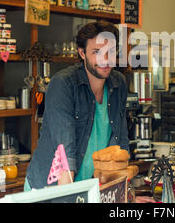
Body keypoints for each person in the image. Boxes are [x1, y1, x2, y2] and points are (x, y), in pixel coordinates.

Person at [25, 20, 129, 190]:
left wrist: (124, 195)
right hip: (50, 189)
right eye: (97, 52)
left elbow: (120, 144)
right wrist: (67, 196)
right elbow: (64, 152)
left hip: (89, 187)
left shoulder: (118, 84)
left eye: (110, 51)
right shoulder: (63, 84)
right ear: (82, 53)